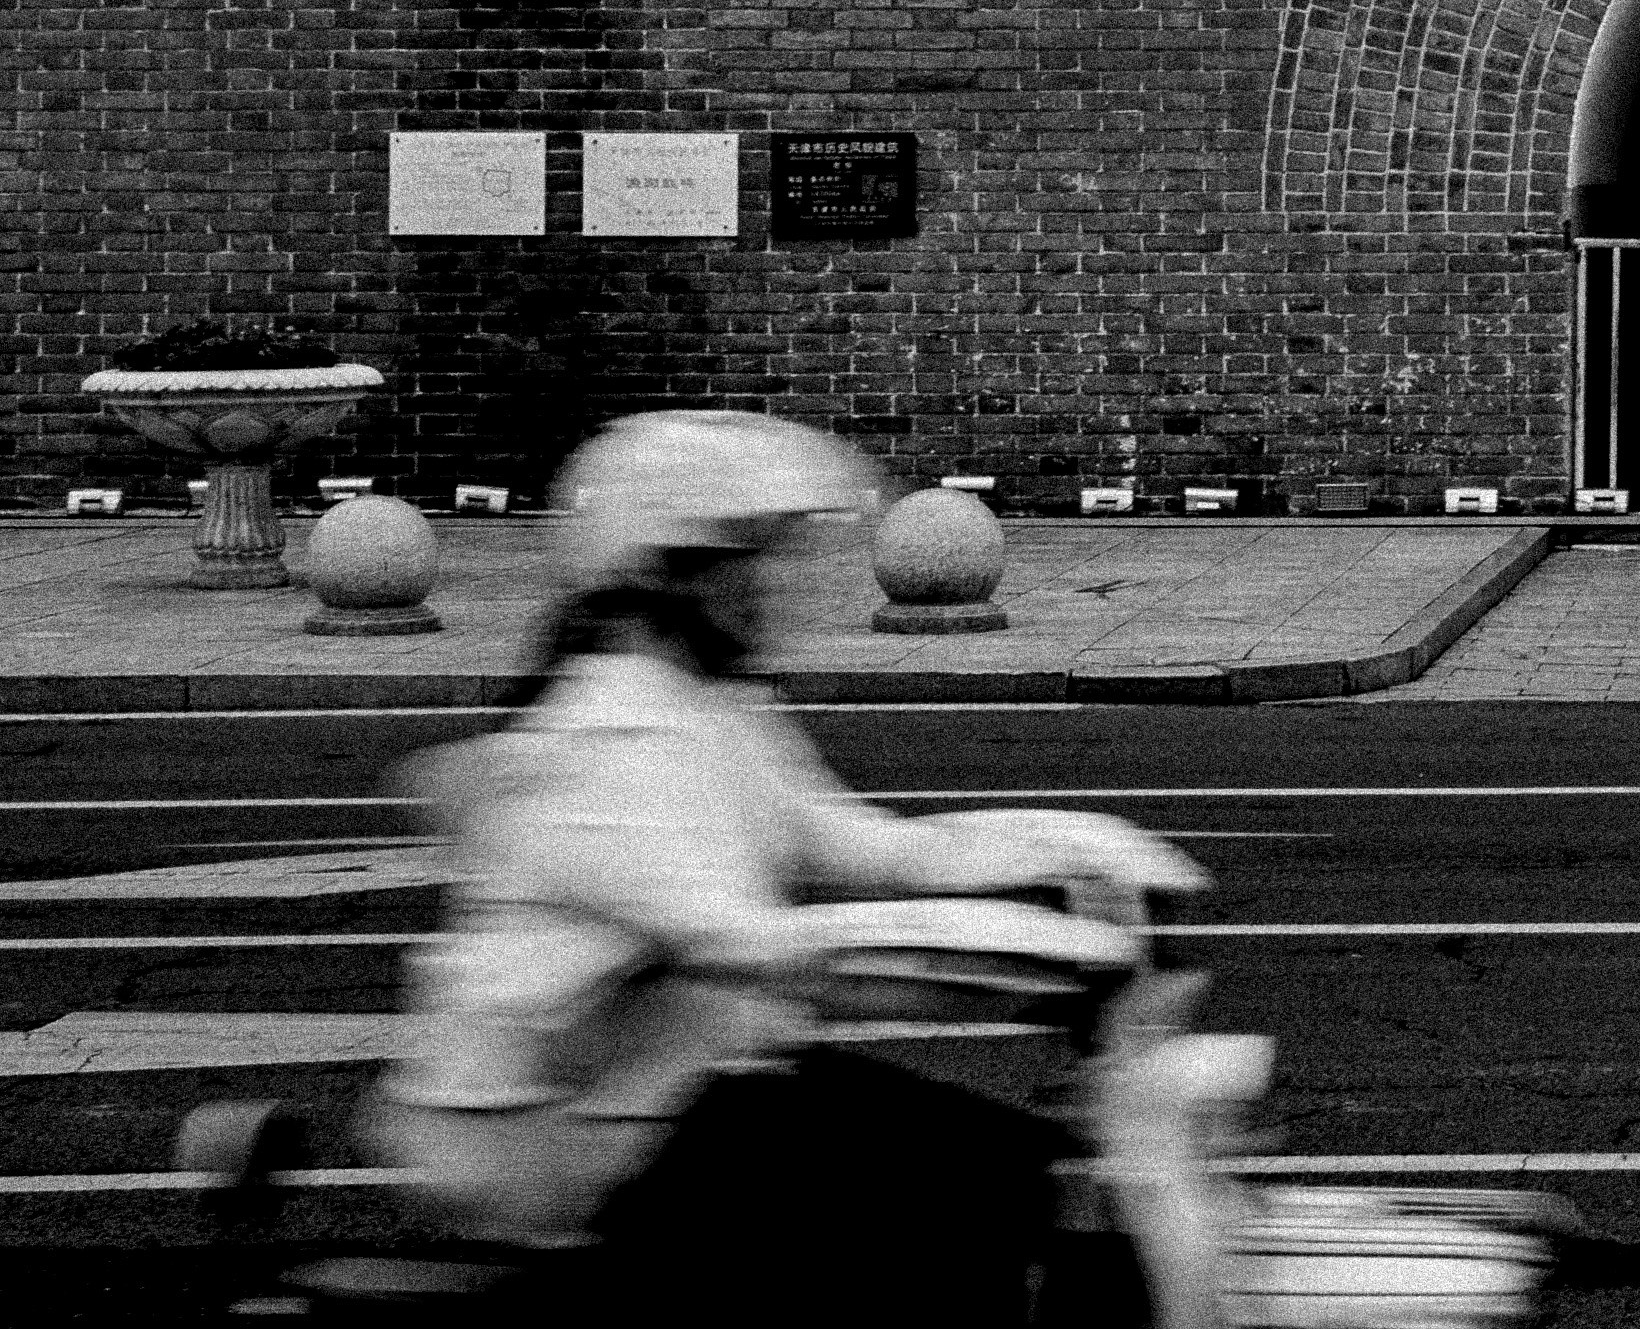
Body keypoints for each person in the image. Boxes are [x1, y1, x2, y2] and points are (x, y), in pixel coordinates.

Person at [366, 410, 1200, 1325]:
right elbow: (757, 947)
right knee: (973, 1183)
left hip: (672, 1102)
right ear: (659, 574)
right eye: (747, 557)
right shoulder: (612, 738)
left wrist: (1082, 850)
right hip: (560, 1140)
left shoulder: (713, 712)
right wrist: (1046, 965)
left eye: (778, 555)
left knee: (998, 1160)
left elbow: (879, 851)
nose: (774, 584)